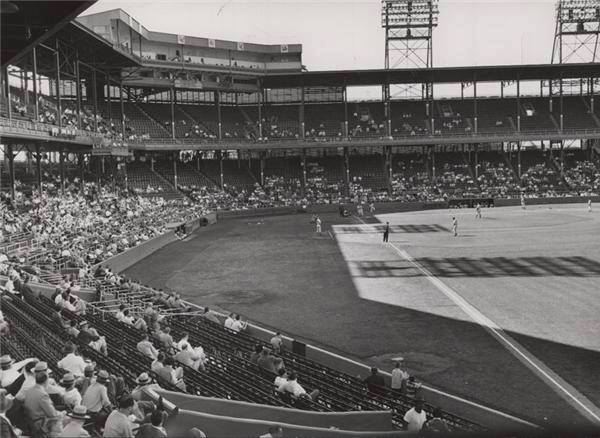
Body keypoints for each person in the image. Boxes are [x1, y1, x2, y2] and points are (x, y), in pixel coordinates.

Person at [23, 372, 64, 437]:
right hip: (40, 424)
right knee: (61, 417)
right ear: (46, 381)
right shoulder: (42, 394)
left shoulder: (29, 390)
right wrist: (61, 414)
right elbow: (52, 414)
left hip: (31, 420)